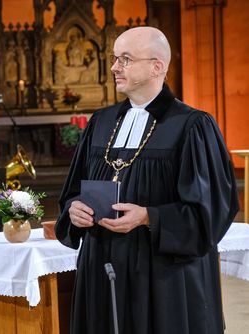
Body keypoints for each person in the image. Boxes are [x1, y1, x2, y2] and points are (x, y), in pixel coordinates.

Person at [55, 26, 239, 334]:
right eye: (115, 58)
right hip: (101, 269)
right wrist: (74, 210)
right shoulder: (100, 123)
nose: (114, 67)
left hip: (162, 278)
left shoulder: (192, 126)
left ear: (157, 66)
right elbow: (73, 192)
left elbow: (212, 212)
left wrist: (149, 217)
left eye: (125, 59)